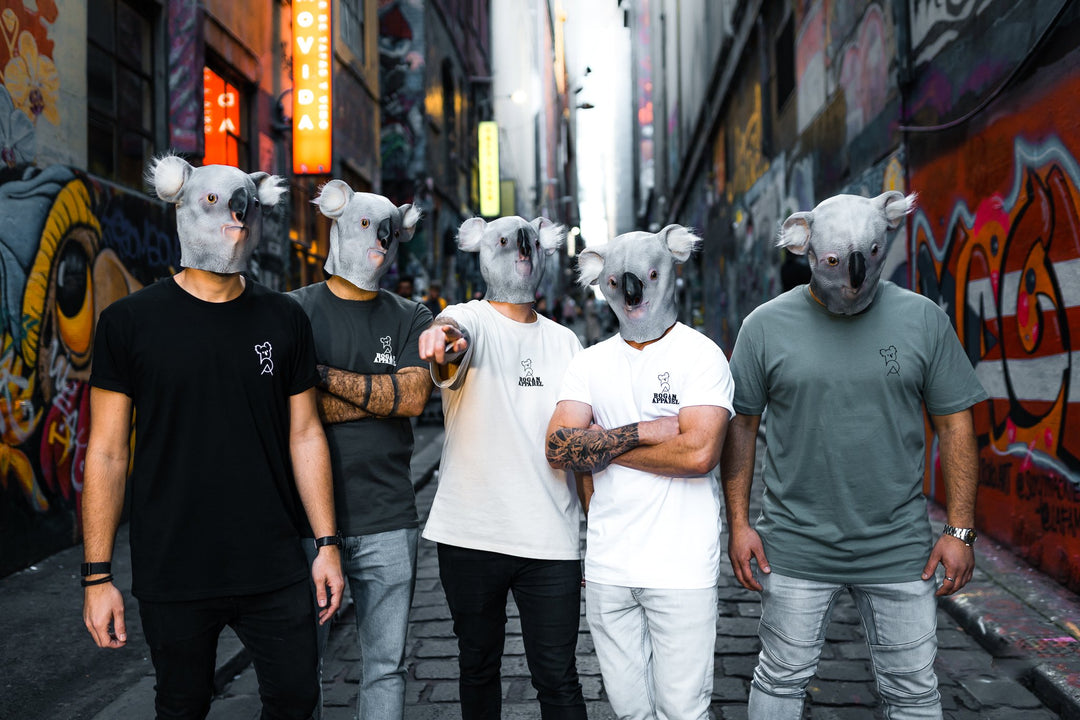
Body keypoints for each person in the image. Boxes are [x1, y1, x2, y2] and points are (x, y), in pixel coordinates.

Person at [82, 154, 344, 719]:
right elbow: (105, 452)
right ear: (182, 205)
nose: (237, 220)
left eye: (245, 208)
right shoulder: (130, 322)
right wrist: (97, 575)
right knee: (181, 705)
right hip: (173, 565)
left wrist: (326, 544)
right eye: (217, 204)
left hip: (273, 563)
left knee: (298, 701)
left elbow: (305, 435)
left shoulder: (283, 319)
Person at [720, 192, 988, 719]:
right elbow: (741, 427)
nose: (854, 279)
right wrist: (738, 523)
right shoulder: (763, 327)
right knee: (778, 681)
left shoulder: (923, 320)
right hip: (794, 547)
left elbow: (956, 426)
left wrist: (960, 530)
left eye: (865, 258)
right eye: (837, 263)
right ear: (806, 249)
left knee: (913, 692)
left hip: (899, 549)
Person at [546, 225, 733, 720]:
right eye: (620, 283)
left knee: (683, 711)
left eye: (649, 276)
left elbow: (698, 454)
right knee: (630, 711)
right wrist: (645, 431)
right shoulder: (589, 364)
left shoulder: (701, 355)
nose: (635, 295)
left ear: (670, 270)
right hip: (610, 568)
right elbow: (559, 446)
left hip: (682, 569)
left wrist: (603, 446)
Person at [418, 215, 587, 719]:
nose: (522, 251)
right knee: (478, 666)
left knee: (558, 677)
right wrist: (442, 340)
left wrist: (592, 533)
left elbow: (580, 448)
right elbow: (451, 336)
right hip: (471, 534)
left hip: (550, 539)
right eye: (509, 243)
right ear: (484, 251)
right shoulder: (468, 317)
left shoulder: (566, 343)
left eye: (531, 244)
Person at [289, 180, 434, 719]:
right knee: (302, 665)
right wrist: (379, 397)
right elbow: (283, 412)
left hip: (389, 516)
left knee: (386, 666)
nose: (380, 242)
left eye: (389, 233)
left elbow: (414, 397)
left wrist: (319, 378)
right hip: (304, 520)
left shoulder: (411, 315)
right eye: (369, 228)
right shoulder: (292, 312)